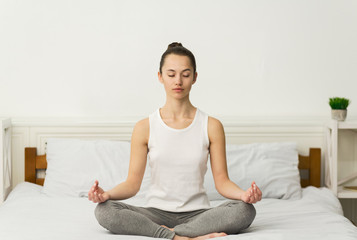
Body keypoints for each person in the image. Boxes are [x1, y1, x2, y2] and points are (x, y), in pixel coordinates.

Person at [88, 42, 262, 240]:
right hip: (155, 213)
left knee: (245, 211)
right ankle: (182, 237)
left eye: (185, 74)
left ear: (195, 77)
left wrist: (244, 195)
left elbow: (222, 182)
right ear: (160, 77)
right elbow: (132, 184)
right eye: (171, 74)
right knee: (104, 211)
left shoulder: (211, 126)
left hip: (199, 214)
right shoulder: (144, 127)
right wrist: (106, 195)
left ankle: (167, 234)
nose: (178, 81)